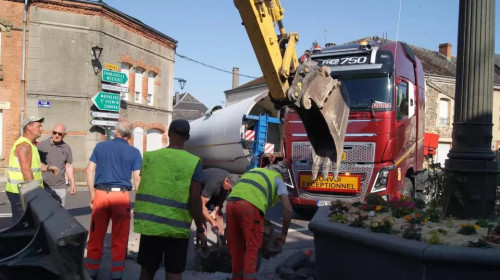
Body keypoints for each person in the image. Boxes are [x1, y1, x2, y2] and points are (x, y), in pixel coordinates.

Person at [134, 119, 206, 280]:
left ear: (168, 134)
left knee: (147, 270)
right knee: (174, 272)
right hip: (177, 229)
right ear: (187, 137)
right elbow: (195, 199)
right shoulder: (193, 162)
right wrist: (200, 228)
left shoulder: (150, 157)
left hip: (151, 225)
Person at [84, 119, 142, 280]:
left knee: (96, 235)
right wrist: (140, 202)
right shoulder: (134, 152)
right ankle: (116, 274)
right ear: (129, 136)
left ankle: (91, 272)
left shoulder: (101, 146)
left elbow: (89, 171)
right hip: (122, 197)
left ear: (115, 132)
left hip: (101, 194)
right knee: (120, 237)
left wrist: (92, 195)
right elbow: (137, 179)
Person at [226, 163, 293, 280]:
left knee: (236, 246)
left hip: (231, 204)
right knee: (253, 246)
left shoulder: (253, 172)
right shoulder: (278, 179)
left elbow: (247, 193)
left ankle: (237, 277)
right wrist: (283, 234)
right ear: (281, 174)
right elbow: (288, 209)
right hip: (249, 207)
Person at [6, 116, 59, 223]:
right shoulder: (24, 145)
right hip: (20, 193)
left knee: (29, 223)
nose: (41, 129)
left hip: (23, 191)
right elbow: (26, 171)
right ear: (29, 127)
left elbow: (35, 165)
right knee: (23, 224)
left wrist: (49, 168)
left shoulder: (31, 145)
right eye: (39, 126)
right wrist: (34, 195)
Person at [37, 123, 76, 207]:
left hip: (60, 187)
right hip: (44, 186)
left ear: (64, 135)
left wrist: (72, 183)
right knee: (45, 213)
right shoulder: (41, 146)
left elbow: (68, 166)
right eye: (54, 133)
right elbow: (36, 164)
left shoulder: (66, 148)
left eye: (60, 134)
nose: (56, 135)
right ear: (52, 132)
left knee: (59, 214)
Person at [201, 168, 240, 235]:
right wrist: (212, 222)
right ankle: (202, 237)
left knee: (219, 214)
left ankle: (220, 236)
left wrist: (215, 210)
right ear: (226, 181)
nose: (229, 191)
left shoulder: (228, 181)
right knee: (201, 215)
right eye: (230, 189)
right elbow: (201, 206)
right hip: (200, 189)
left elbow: (222, 197)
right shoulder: (213, 184)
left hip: (216, 191)